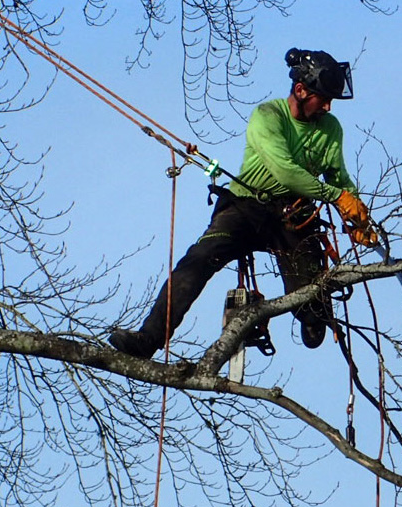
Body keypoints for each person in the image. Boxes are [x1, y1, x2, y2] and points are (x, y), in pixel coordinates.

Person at [109, 48, 377, 359]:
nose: (328, 106)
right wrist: (336, 197)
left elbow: (338, 177)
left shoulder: (330, 128)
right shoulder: (268, 116)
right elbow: (285, 170)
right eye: (323, 97)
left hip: (293, 215)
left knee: (312, 309)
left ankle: (313, 314)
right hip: (246, 207)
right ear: (301, 90)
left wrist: (356, 213)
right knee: (199, 259)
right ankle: (147, 340)